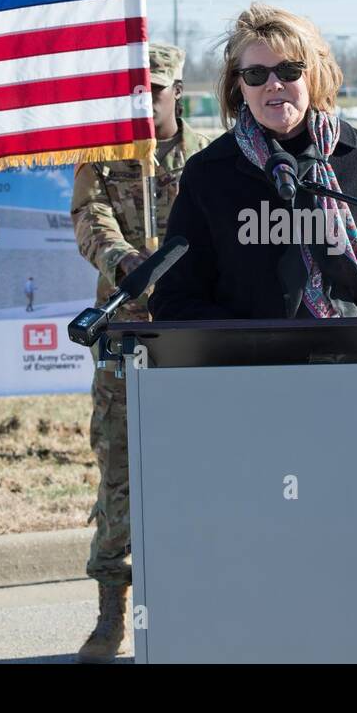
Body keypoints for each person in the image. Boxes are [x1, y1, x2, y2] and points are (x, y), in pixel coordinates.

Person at [149, 2, 357, 342]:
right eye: (256, 74)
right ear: (239, 86)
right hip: (246, 373)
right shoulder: (209, 172)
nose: (273, 84)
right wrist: (248, 340)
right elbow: (174, 297)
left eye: (288, 71)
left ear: (313, 75)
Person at [69, 42, 211, 662]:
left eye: (150, 92)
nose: (139, 103)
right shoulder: (101, 157)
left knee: (198, 473)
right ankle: (111, 615)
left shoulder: (211, 157)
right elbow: (89, 220)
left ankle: (192, 604)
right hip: (123, 340)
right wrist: (124, 260)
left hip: (194, 338)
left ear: (175, 91)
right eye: (127, 92)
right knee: (119, 475)